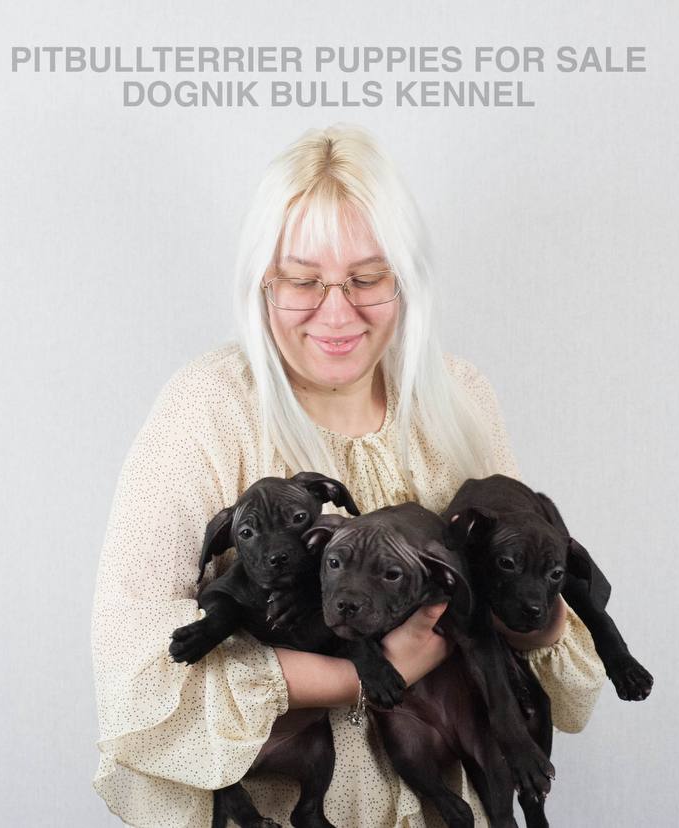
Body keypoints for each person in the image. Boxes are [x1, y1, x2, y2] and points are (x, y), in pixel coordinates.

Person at [91, 123, 606, 827]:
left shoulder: (462, 399)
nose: (338, 312)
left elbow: (546, 638)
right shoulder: (208, 407)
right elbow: (133, 670)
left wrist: (530, 616)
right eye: (303, 281)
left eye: (368, 278)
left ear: (407, 276)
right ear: (261, 283)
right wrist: (365, 672)